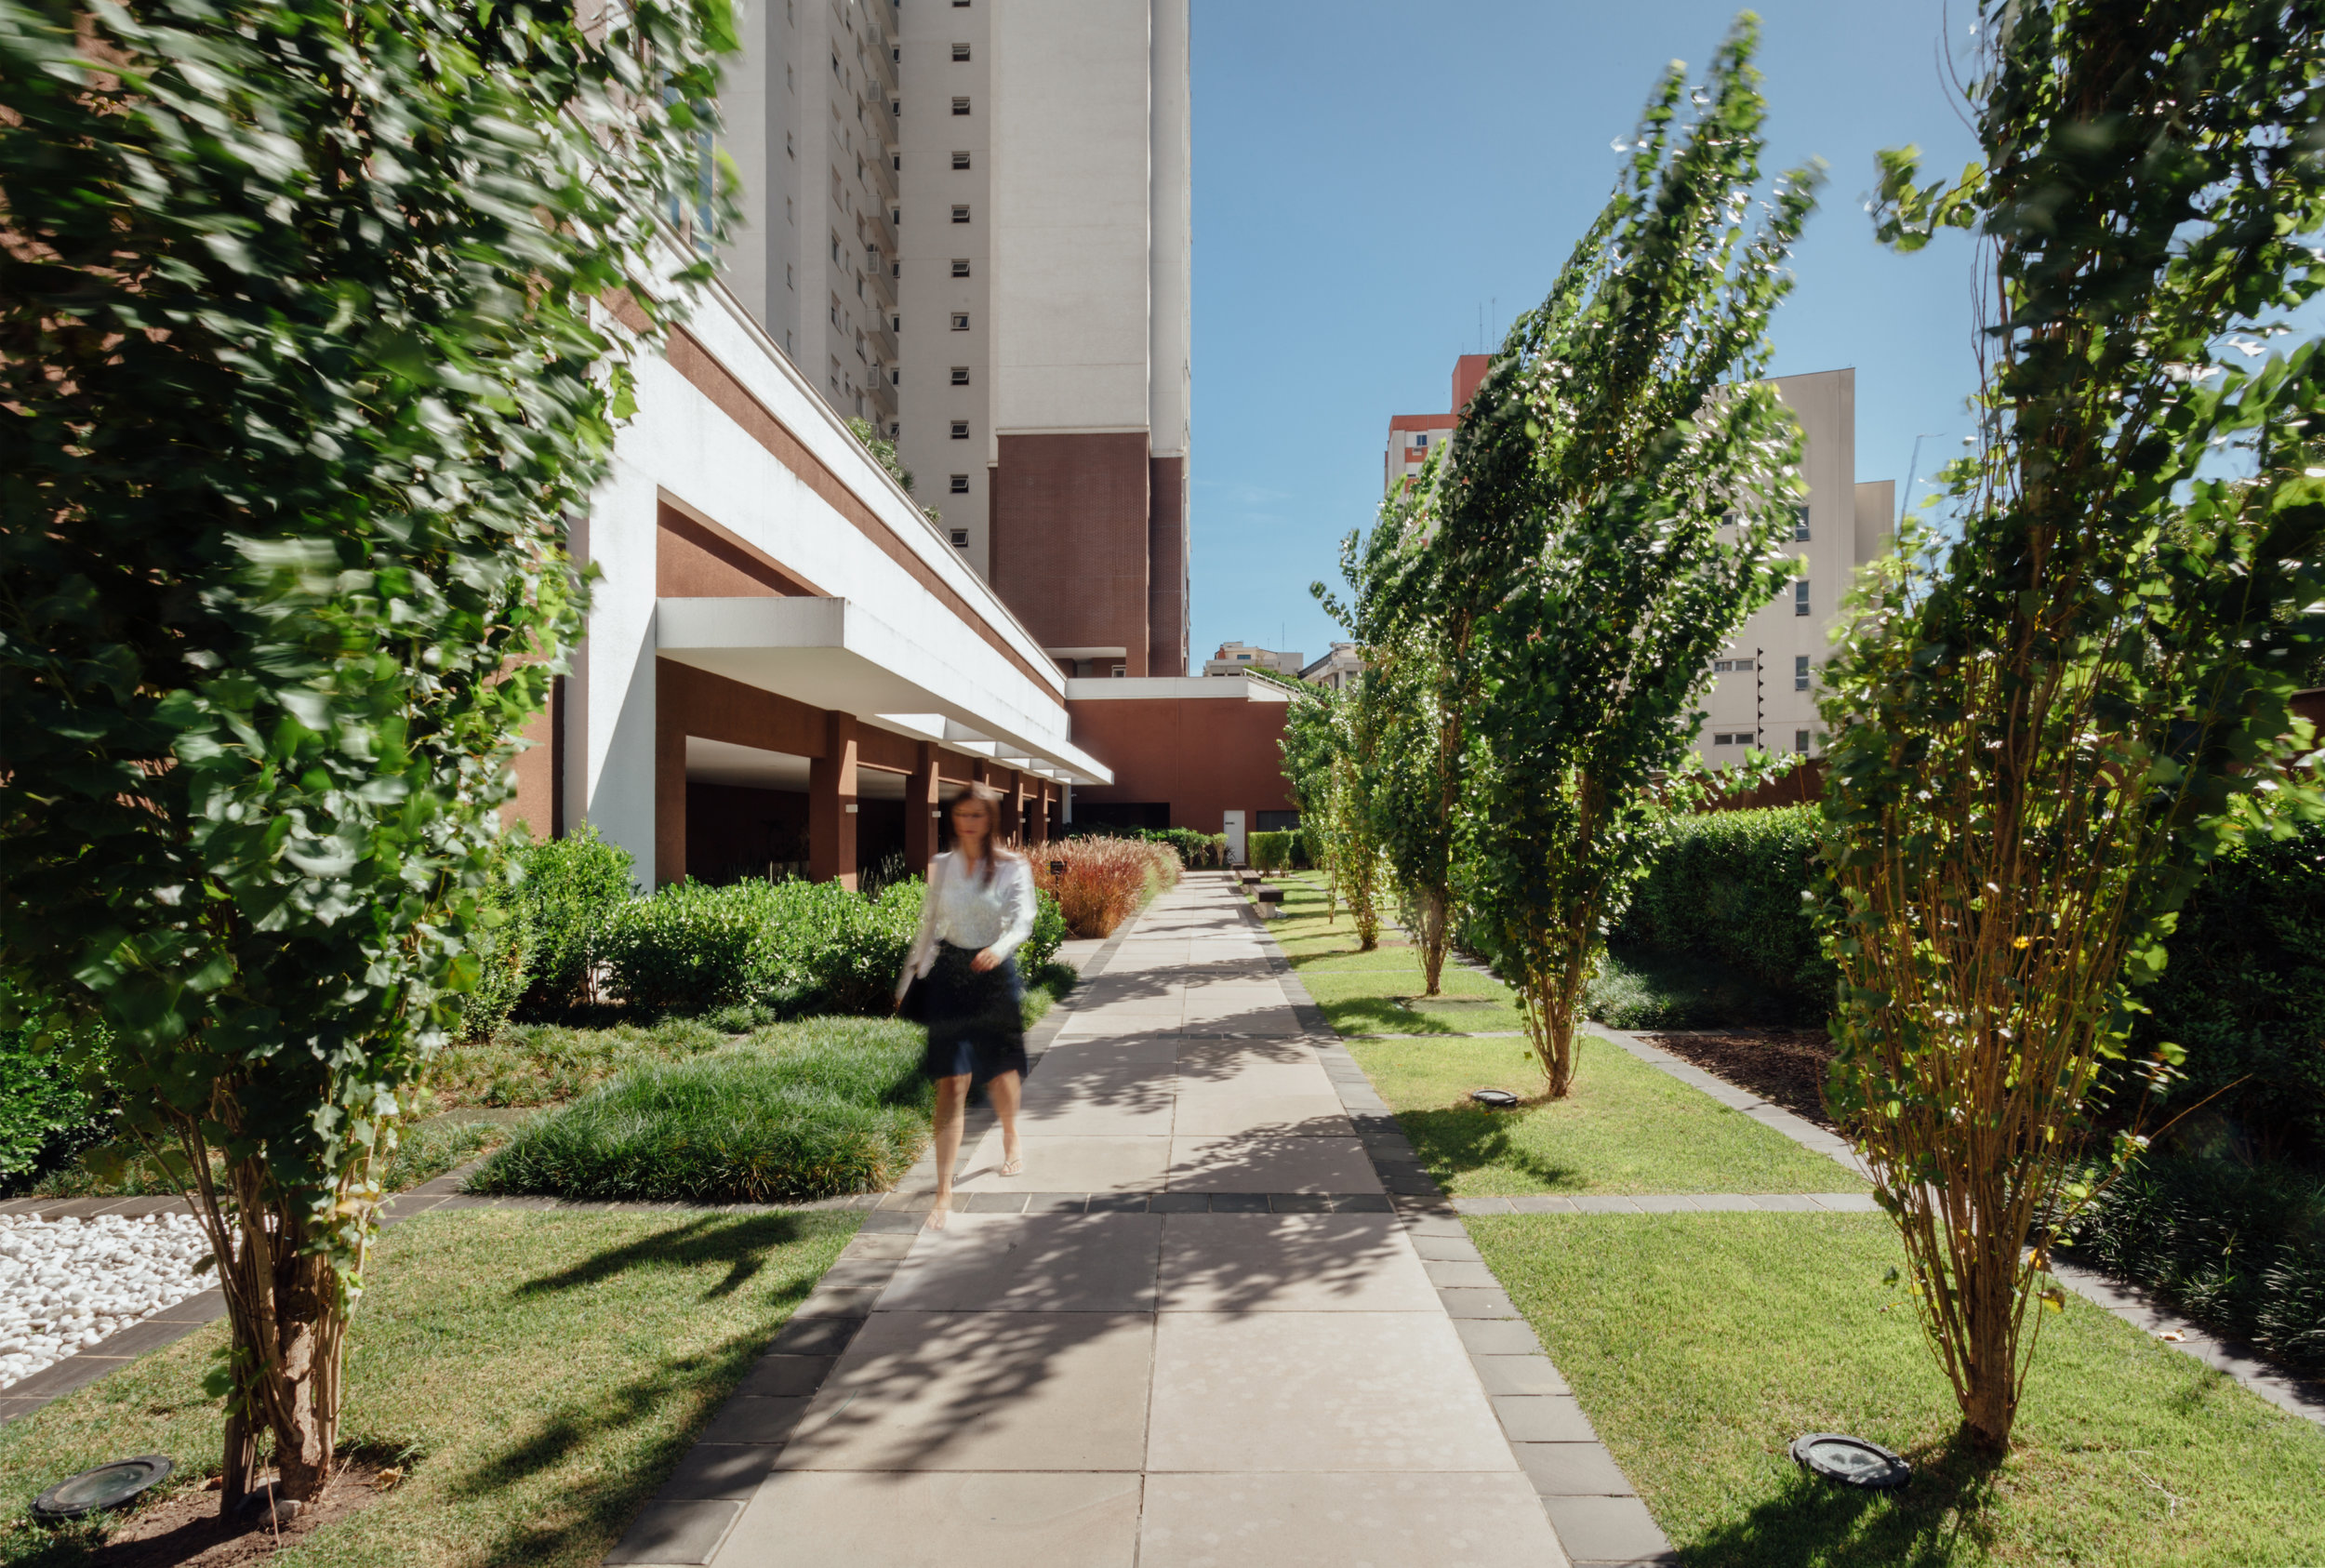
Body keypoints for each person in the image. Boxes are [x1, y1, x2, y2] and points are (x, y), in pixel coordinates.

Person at [896, 784, 1032, 1229]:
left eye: (977, 815)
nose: (968, 822)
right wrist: (906, 980)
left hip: (994, 972)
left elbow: (1023, 918)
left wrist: (1001, 947)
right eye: (962, 814)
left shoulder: (1012, 866)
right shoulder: (941, 866)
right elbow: (928, 924)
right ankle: (943, 1190)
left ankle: (1010, 1135)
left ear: (991, 818)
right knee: (951, 1082)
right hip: (951, 975)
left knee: (998, 1073)